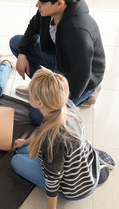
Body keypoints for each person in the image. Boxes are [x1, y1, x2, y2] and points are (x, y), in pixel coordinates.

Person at [9, 0, 105, 125]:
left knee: (37, 116)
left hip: (81, 79)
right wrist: (22, 54)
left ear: (60, 3)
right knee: (17, 43)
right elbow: (33, 28)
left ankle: (91, 93)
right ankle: (40, 89)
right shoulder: (48, 9)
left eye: (42, 2)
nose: (37, 5)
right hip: (60, 59)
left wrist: (56, 99)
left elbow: (81, 77)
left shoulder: (78, 32)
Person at [11, 69, 115, 209]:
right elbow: (44, 132)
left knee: (16, 161)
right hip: (81, 162)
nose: (29, 93)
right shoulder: (67, 106)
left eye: (31, 93)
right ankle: (94, 167)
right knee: (23, 149)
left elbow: (52, 181)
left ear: (41, 104)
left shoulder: (52, 140)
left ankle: (91, 179)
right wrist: (25, 142)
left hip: (74, 190)